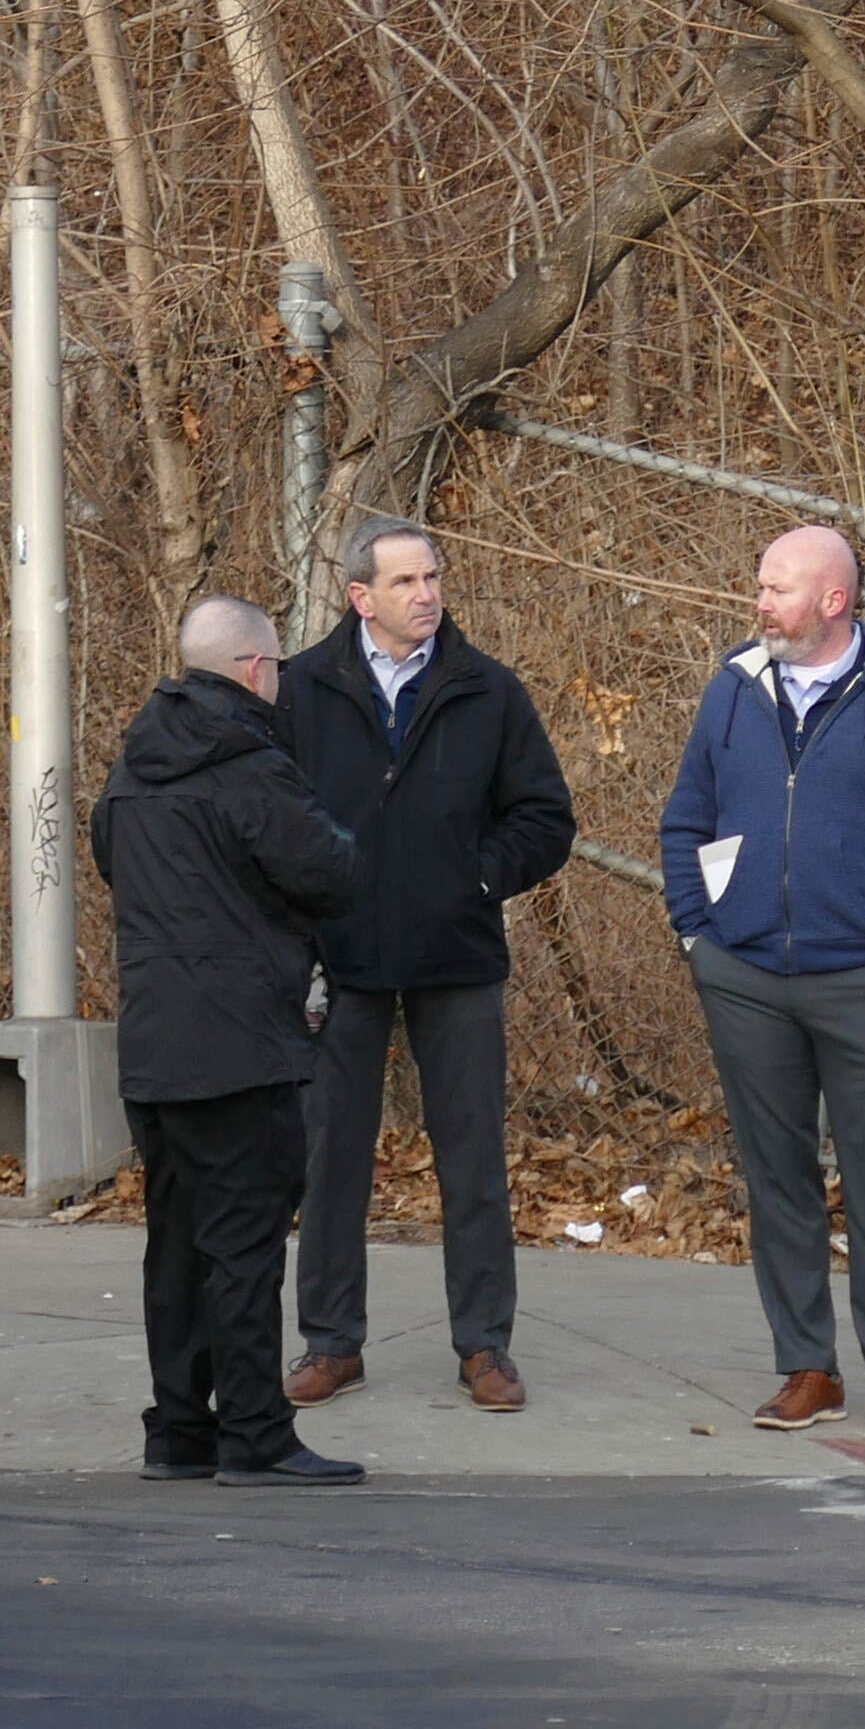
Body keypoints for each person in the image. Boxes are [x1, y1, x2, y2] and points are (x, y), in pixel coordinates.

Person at [657, 523, 865, 1439]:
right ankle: (808, 1368)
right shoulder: (732, 692)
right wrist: (698, 935)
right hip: (746, 977)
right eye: (761, 585)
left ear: (835, 602)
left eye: (777, 588)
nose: (760, 602)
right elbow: (686, 817)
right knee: (779, 1182)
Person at [274, 519, 576, 1415]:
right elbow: (269, 813)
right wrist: (307, 909)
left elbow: (545, 819)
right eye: (405, 581)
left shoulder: (489, 691)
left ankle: (485, 1345)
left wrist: (475, 876)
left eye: (433, 576)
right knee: (332, 1158)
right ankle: (331, 1343)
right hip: (340, 960)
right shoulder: (300, 689)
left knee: (473, 1159)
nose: (427, 594)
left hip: (458, 960)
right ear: (360, 597)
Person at [93, 596, 366, 1488]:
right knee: (243, 1246)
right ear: (255, 669)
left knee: (172, 1243)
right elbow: (327, 870)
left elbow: (108, 860)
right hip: (244, 1041)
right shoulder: (250, 765)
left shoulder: (132, 771)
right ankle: (255, 1432)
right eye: (277, 667)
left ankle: (178, 1429)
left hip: (154, 1044)